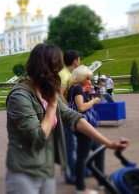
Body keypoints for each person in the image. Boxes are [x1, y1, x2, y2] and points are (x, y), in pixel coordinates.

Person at [5, 44, 129, 194]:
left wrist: (109, 143)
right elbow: (37, 138)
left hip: (45, 168)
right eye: (57, 66)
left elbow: (73, 117)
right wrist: (51, 106)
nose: (59, 71)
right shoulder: (20, 96)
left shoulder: (47, 91)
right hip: (24, 171)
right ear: (46, 67)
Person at [67, 65, 106, 194]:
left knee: (99, 149)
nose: (90, 81)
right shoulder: (77, 88)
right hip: (83, 126)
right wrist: (94, 100)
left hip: (80, 125)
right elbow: (81, 108)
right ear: (80, 78)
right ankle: (81, 187)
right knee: (82, 157)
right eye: (87, 78)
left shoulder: (74, 88)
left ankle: (100, 180)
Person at [58, 50, 80, 184]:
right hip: (66, 114)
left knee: (74, 144)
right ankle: (70, 174)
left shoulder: (67, 73)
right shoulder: (64, 75)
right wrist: (69, 107)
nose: (80, 62)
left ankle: (74, 171)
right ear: (75, 61)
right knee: (71, 144)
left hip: (68, 113)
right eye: (79, 59)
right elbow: (60, 93)